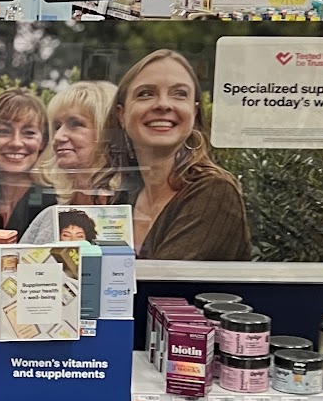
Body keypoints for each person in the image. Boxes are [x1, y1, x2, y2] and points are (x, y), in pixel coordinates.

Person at [92, 49, 252, 259]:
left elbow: (162, 280)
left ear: (194, 112)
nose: (163, 105)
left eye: (180, 94)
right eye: (146, 93)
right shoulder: (124, 197)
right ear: (122, 115)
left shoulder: (214, 192)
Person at [8, 78, 119, 238]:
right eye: (57, 126)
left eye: (75, 124)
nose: (58, 137)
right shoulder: (43, 201)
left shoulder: (130, 200)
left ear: (107, 131)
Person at [0, 88, 54, 242]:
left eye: (29, 133)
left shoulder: (52, 203)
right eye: (4, 131)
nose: (16, 143)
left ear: (43, 142)